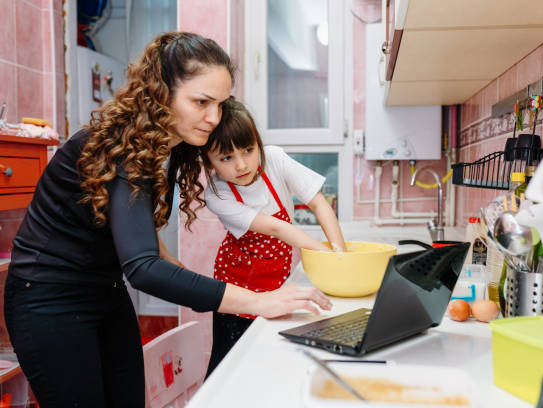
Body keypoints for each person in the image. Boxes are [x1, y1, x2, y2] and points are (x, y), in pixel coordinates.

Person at [3, 32, 332, 408]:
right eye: (201, 102)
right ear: (161, 93)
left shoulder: (171, 142)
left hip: (105, 291)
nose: (214, 118)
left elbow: (129, 213)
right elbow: (143, 269)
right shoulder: (122, 147)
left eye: (221, 104)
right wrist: (259, 301)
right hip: (48, 298)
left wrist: (159, 249)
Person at [201, 98, 346, 376]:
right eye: (226, 157)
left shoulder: (276, 159)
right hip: (236, 286)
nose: (242, 164)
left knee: (270, 359)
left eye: (248, 150)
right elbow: (277, 229)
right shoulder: (216, 194)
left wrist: (340, 253)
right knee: (230, 363)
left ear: (258, 142)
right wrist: (328, 257)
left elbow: (319, 204)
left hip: (278, 279)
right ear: (209, 160)